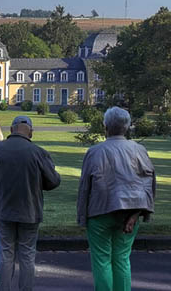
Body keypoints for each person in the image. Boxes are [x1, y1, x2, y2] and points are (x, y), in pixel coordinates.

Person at [77, 107, 156, 291]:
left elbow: (84, 188)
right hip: (130, 213)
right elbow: (148, 184)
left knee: (102, 260)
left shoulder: (95, 152)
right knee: (121, 258)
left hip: (99, 212)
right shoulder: (139, 150)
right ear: (127, 127)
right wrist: (137, 213)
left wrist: (82, 217)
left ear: (105, 126)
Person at [0, 116, 61, 291]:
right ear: (30, 132)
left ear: (11, 129)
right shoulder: (38, 152)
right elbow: (54, 181)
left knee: (6, 254)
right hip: (30, 211)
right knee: (27, 255)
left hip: (4, 210)